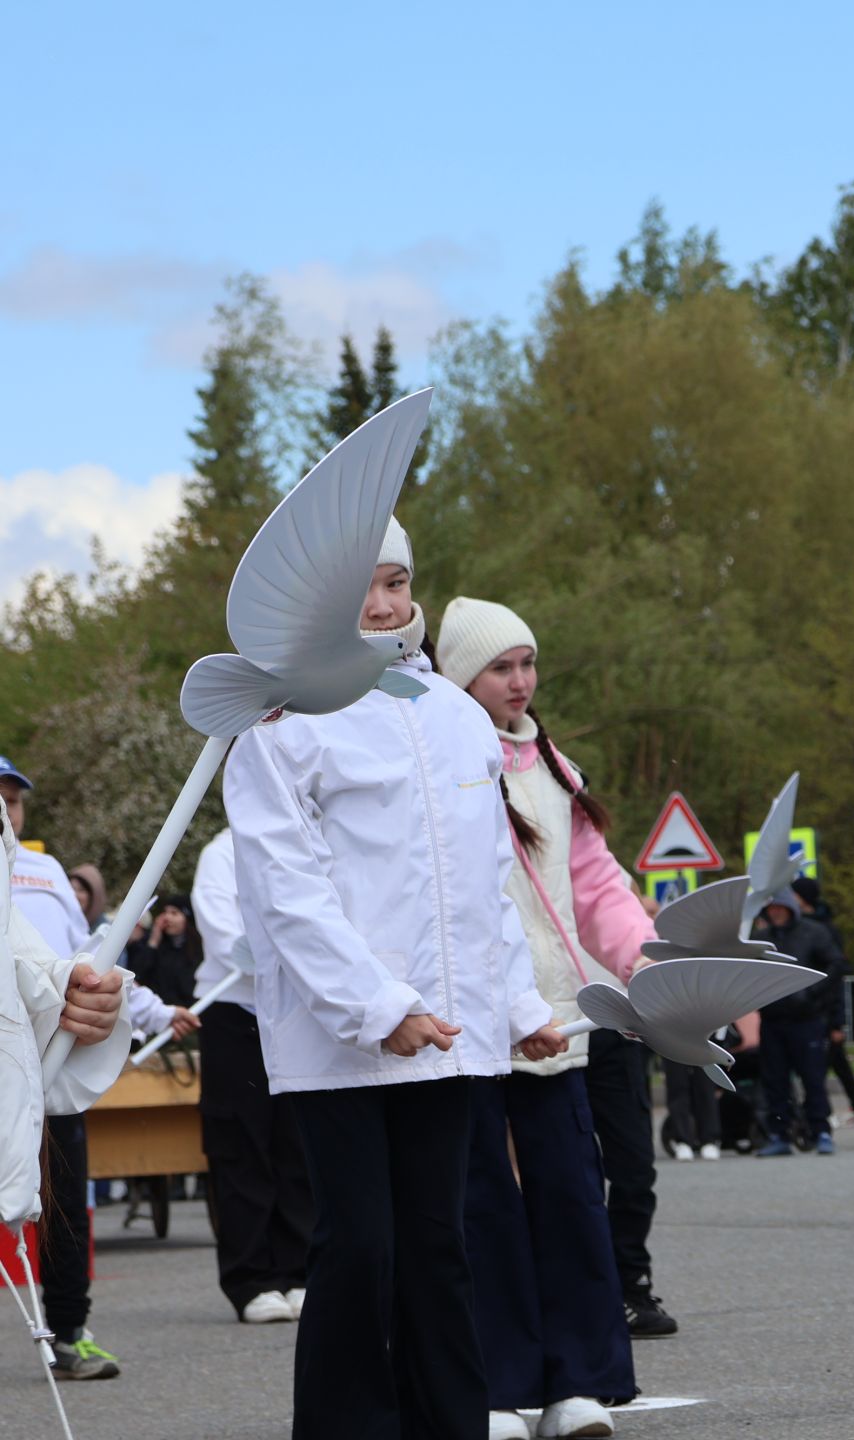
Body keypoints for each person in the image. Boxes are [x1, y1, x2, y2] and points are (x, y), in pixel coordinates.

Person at [223, 519, 569, 1440]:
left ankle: (449, 1425)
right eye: (361, 588)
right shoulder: (280, 722)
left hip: (449, 1040)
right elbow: (284, 889)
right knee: (360, 1249)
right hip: (340, 1042)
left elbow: (485, 884)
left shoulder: (455, 715)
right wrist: (379, 1007)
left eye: (395, 582)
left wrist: (519, 1005)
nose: (382, 605)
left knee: (437, 1247)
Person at [437, 595, 651, 1438]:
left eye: (527, 663)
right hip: (470, 1024)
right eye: (500, 667)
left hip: (560, 1020)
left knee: (570, 1197)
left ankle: (579, 1387)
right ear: (461, 678)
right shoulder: (445, 762)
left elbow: (596, 886)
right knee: (481, 1204)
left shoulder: (555, 768)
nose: (520, 681)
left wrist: (646, 961)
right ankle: (494, 1390)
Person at [2, 755, 132, 1381]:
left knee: (57, 1204)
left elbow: (49, 960)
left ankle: (70, 1331)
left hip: (41, 1062)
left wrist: (83, 991)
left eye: (11, 799)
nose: (4, 810)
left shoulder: (43, 869)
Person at [192, 827, 315, 1325]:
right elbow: (228, 939)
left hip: (298, 1008)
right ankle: (251, 1279)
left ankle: (301, 1269)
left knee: (298, 1143)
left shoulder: (305, 843)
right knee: (242, 1145)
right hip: (235, 1010)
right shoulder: (221, 852)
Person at [752, 891, 847, 1157]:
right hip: (772, 1020)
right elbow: (747, 971)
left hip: (807, 1020)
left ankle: (822, 1132)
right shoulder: (761, 940)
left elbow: (837, 964)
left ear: (791, 908)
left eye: (781, 907)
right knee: (774, 1081)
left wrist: (812, 993)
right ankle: (779, 1134)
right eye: (771, 909)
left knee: (813, 1079)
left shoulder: (813, 933)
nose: (776, 913)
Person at [793, 875, 854, 1128]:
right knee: (831, 1062)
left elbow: (836, 974)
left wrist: (838, 1021)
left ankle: (821, 1111)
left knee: (826, 1063)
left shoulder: (823, 930)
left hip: (825, 1006)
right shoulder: (796, 927)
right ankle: (850, 1107)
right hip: (809, 1006)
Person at [127, 893, 203, 1005]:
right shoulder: (155, 945)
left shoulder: (199, 950)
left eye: (174, 913)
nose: (167, 917)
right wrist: (153, 942)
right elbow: (137, 975)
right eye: (166, 912)